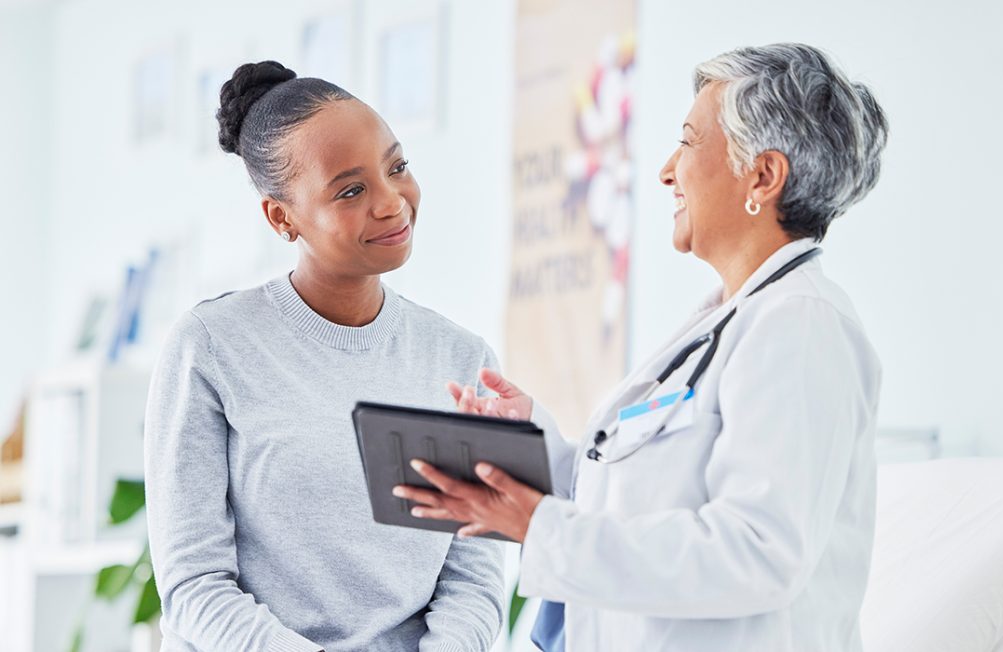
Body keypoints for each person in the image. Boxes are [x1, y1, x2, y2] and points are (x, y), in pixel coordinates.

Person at [394, 43, 889, 651]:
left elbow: (758, 553)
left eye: (687, 141)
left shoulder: (803, 326)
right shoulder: (729, 321)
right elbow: (636, 498)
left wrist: (539, 526)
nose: (665, 170)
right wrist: (530, 445)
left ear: (762, 176)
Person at [144, 61, 504, 652]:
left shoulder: (462, 359)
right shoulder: (210, 346)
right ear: (282, 217)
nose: (392, 202)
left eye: (398, 167)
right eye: (351, 190)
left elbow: (475, 575)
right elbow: (194, 585)